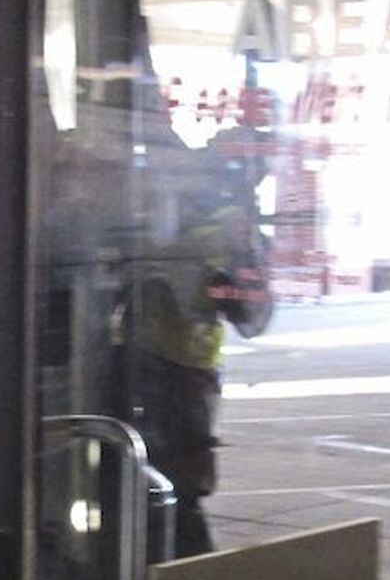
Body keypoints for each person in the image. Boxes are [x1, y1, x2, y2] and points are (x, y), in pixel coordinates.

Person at [109, 171, 270, 559]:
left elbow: (250, 314)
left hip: (180, 371)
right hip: (150, 364)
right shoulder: (151, 217)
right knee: (153, 485)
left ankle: (184, 574)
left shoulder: (220, 227)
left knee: (177, 490)